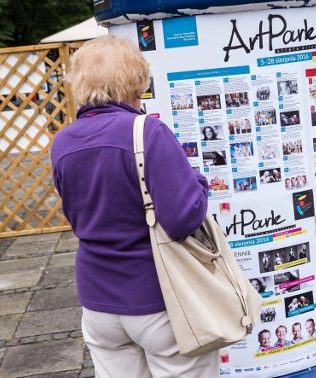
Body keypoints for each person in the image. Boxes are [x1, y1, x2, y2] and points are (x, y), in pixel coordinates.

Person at [50, 35, 217, 378]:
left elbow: (77, 214)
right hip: (158, 297)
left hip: (98, 303)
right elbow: (183, 218)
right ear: (137, 81)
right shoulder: (148, 132)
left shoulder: (62, 142)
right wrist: (199, 181)